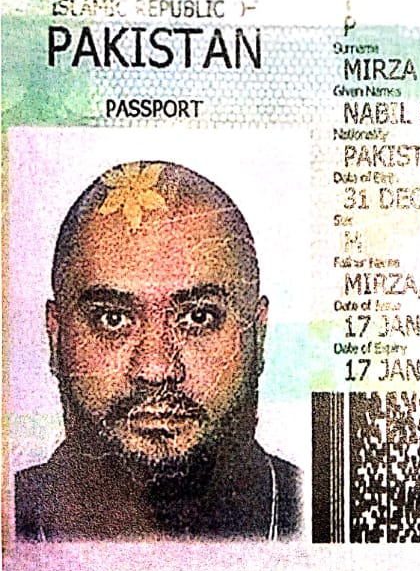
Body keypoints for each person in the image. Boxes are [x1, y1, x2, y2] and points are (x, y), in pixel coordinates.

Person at [15, 161, 300, 540]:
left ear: (258, 335)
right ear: (56, 336)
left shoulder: (311, 509)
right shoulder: (10, 516)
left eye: (198, 317)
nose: (156, 368)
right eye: (113, 319)